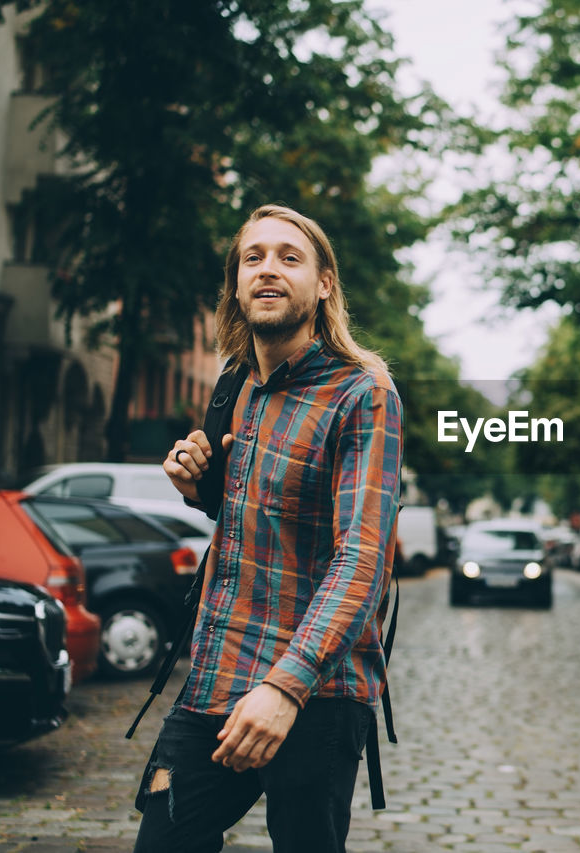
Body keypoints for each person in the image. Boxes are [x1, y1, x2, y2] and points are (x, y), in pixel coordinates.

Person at [133, 204, 402, 853]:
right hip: (215, 678)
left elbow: (361, 558)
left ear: (324, 283)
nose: (268, 269)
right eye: (253, 257)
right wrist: (200, 491)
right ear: (236, 282)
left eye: (289, 256)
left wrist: (286, 687)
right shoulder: (236, 384)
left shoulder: (361, 392)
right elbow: (257, 522)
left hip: (315, 690)